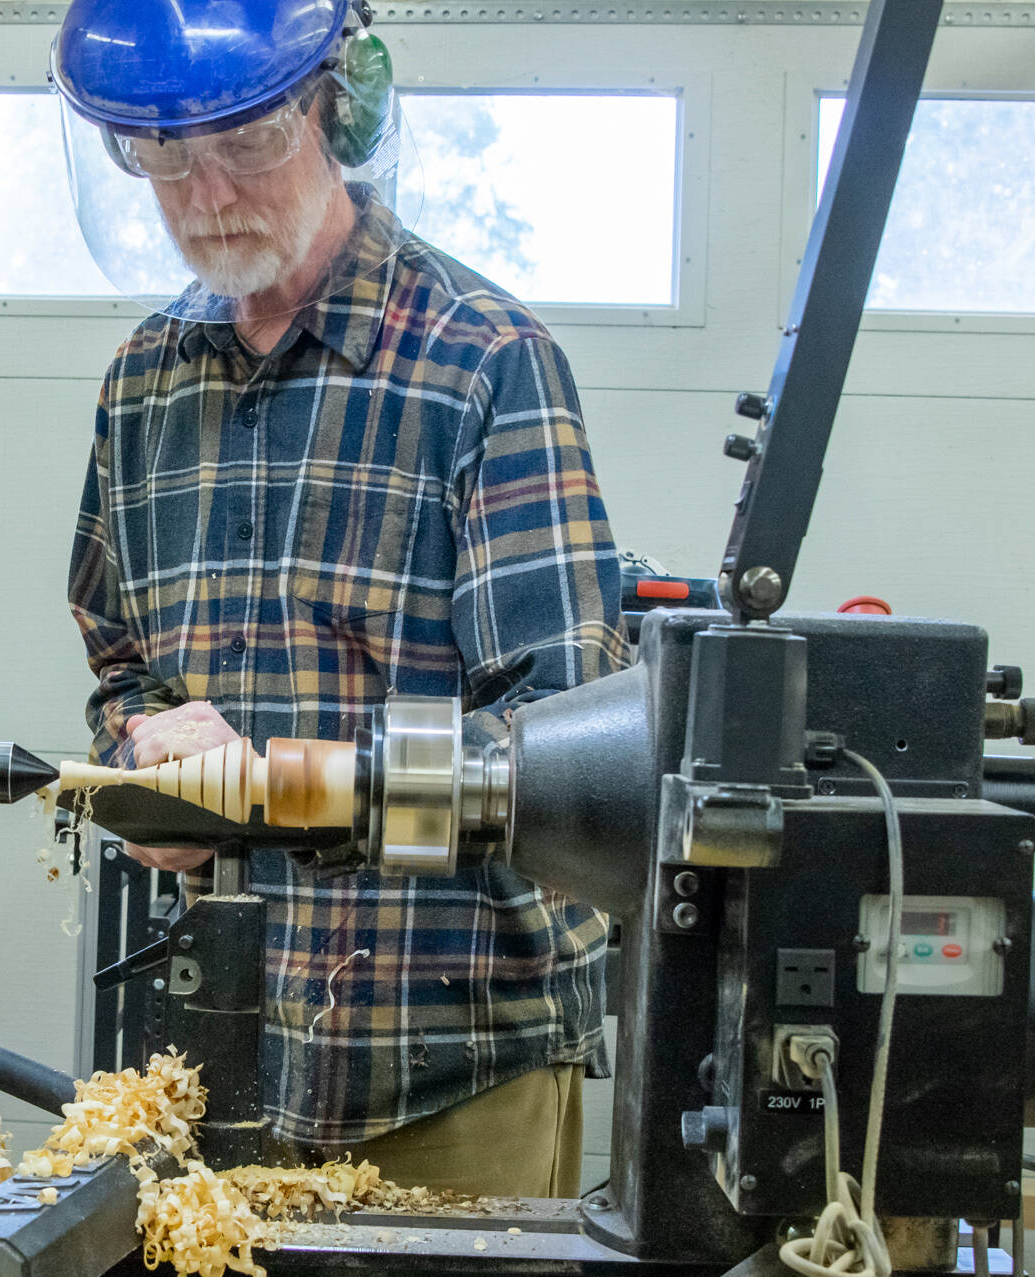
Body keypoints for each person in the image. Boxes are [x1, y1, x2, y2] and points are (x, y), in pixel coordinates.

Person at [58, 0, 625, 1197]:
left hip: (449, 1054)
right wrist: (140, 761)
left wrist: (266, 782)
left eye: (245, 145)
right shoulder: (142, 385)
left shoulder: (483, 361)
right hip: (224, 1042)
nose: (206, 196)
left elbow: (566, 760)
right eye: (163, 161)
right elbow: (124, 659)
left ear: (341, 108)